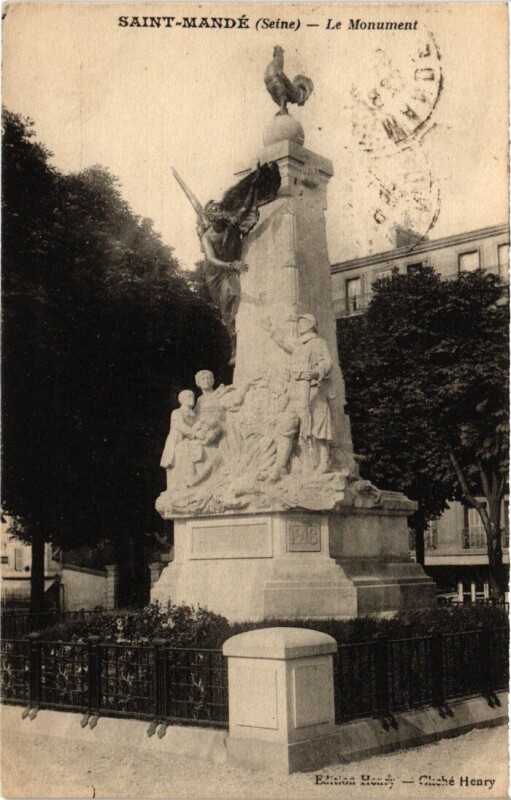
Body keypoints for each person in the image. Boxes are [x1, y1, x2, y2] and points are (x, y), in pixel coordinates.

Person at [260, 313, 335, 476]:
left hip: (313, 389)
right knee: (286, 425)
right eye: (299, 322)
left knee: (318, 427)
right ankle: (281, 465)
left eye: (303, 322)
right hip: (295, 390)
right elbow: (285, 341)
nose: (299, 324)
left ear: (311, 325)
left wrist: (315, 372)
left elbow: (328, 362)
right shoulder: (299, 345)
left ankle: (324, 462)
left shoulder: (317, 342)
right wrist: (271, 328)